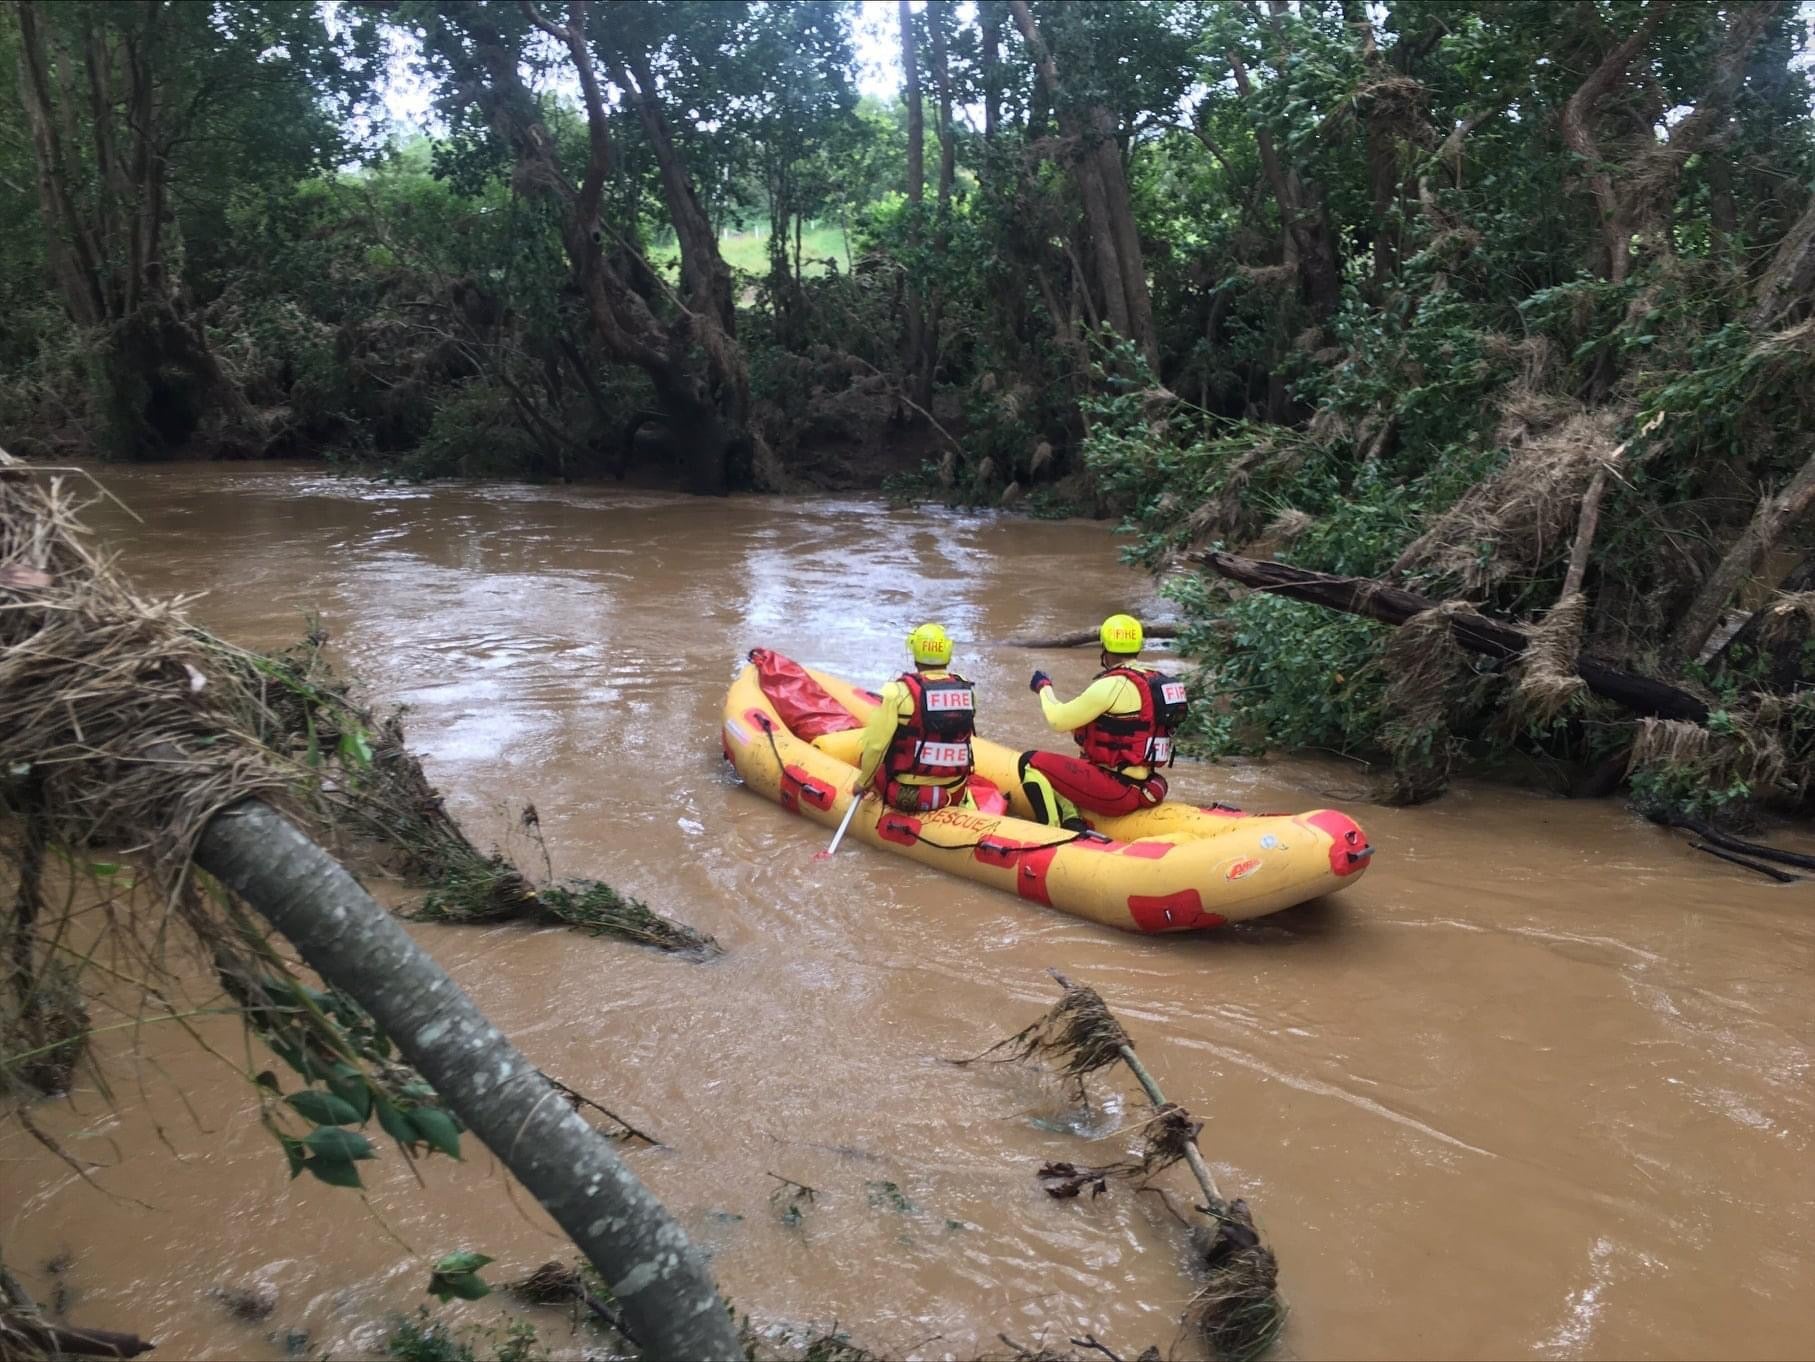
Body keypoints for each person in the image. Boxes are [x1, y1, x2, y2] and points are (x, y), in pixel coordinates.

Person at [1020, 613, 1189, 827]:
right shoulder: (1154, 680)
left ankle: (1052, 830)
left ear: (1105, 650)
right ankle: (1072, 818)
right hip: (1144, 783)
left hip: (1116, 790)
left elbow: (1058, 720)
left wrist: (1044, 688)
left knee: (1029, 762)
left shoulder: (1112, 684)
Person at [855, 623, 977, 812]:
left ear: (914, 652)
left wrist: (862, 783)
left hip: (909, 792)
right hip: (956, 789)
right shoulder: (965, 689)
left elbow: (877, 746)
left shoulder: (897, 692)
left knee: (866, 758)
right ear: (947, 651)